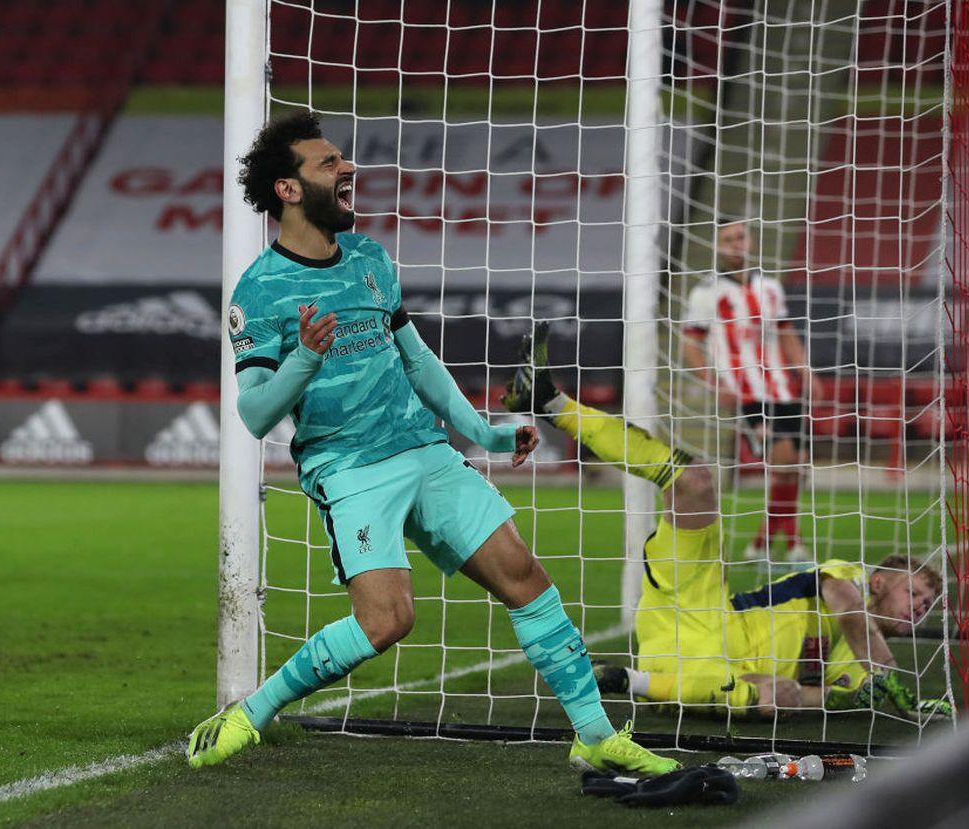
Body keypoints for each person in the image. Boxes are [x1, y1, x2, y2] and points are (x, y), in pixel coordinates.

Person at [186, 112, 679, 777]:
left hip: (424, 451)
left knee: (527, 578)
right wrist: (303, 359)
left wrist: (483, 431)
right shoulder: (260, 289)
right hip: (349, 467)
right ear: (289, 189)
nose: (348, 169)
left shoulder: (369, 259)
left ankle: (593, 733)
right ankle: (252, 711)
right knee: (387, 621)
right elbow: (253, 413)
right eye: (329, 163)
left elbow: (417, 361)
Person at [502, 322, 950, 719]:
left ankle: (629, 681)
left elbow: (842, 696)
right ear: (877, 583)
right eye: (913, 592)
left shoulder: (859, 660)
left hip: (706, 676)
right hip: (700, 609)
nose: (919, 607)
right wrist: (884, 669)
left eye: (926, 604)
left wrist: (825, 695)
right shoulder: (850, 582)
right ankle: (551, 401)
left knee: (771, 696)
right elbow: (843, 601)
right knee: (694, 481)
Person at [681, 220, 823, 561]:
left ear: (751, 241)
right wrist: (712, 382)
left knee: (797, 467)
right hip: (745, 394)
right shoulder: (706, 293)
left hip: (783, 390)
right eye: (727, 239)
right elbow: (690, 343)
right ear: (718, 246)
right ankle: (793, 545)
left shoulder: (771, 288)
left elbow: (785, 333)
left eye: (740, 236)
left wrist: (805, 370)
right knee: (784, 460)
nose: (735, 244)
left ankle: (761, 545)